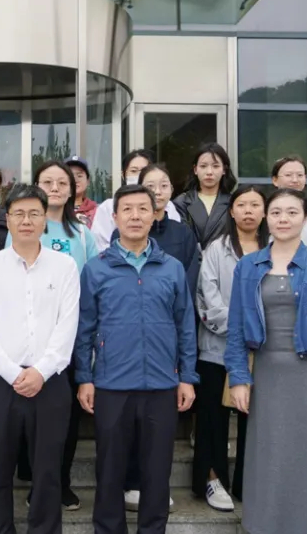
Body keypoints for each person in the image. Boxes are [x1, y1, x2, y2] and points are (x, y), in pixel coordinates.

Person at [225, 188, 307, 534]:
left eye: (291, 212)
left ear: (306, 218)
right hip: (269, 375)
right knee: (268, 459)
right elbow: (236, 327)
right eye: (276, 213)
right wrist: (239, 378)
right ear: (266, 218)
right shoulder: (248, 267)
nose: (283, 219)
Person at [76, 184, 198, 534]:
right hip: (111, 385)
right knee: (110, 470)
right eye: (127, 209)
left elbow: (185, 325)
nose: (135, 216)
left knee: (157, 472)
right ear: (114, 217)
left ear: (154, 215)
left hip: (161, 384)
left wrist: (187, 377)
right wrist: (84, 377)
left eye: (143, 209)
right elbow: (84, 328)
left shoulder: (171, 268)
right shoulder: (96, 269)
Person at [0, 183, 80, 534]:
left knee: (48, 471)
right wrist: (12, 373)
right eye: (18, 213)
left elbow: (67, 326)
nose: (26, 220)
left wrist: (40, 372)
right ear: (7, 219)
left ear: (45, 219)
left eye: (35, 213)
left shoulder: (64, 267)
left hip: (49, 383)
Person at [11, 160, 97, 511]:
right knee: (30, 413)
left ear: (73, 189)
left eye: (63, 182)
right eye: (48, 182)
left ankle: (60, 481)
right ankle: (35, 479)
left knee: (65, 416)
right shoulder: (25, 227)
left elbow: (92, 284)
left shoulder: (83, 235)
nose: (56, 188)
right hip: (29, 339)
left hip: (70, 338)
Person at [121, 163, 201, 511]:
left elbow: (187, 292)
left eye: (163, 185)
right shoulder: (122, 237)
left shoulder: (182, 235)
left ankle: (155, 488)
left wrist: (186, 368)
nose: (157, 191)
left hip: (164, 340)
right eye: (149, 185)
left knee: (159, 430)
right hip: (124, 351)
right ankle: (130, 484)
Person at [192, 185, 268, 512]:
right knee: (213, 419)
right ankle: (213, 479)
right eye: (242, 205)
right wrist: (244, 328)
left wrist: (261, 331)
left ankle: (248, 483)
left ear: (264, 212)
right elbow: (207, 298)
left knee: (257, 419)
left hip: (264, 352)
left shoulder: (275, 250)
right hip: (217, 348)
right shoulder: (216, 249)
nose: (248, 211)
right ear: (232, 211)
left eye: (255, 205)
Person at [91, 149, 180, 252]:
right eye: (133, 171)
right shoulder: (108, 207)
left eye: (144, 170)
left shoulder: (167, 206)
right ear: (123, 174)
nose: (139, 175)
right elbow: (100, 245)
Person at [173, 143, 238, 251]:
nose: (209, 172)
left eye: (215, 166)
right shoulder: (181, 202)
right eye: (203, 166)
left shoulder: (234, 202)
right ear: (195, 170)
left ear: (224, 170)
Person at [65, 156, 98, 227]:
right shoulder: (56, 209)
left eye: (79, 176)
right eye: (70, 176)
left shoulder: (97, 211)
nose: (75, 180)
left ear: (88, 181)